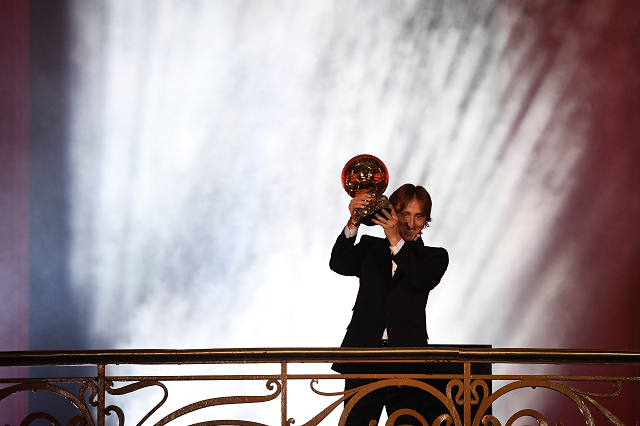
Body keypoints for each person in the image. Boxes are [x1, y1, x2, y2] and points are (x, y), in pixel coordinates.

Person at [330, 183, 449, 425]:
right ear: (391, 211)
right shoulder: (370, 248)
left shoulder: (435, 257)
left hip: (408, 360)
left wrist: (395, 238)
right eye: (404, 214)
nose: (411, 223)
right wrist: (354, 220)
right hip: (364, 355)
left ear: (426, 219)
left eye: (418, 216)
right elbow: (339, 263)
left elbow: (422, 280)